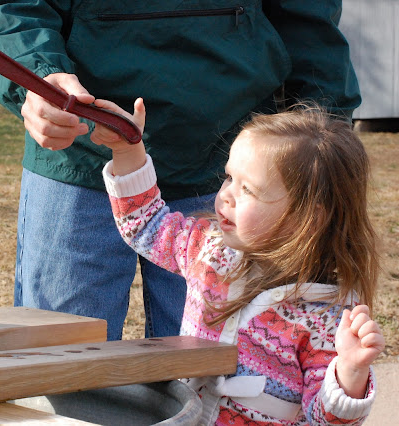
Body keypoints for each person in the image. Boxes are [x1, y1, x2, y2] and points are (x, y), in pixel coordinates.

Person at [0, 1, 361, 340]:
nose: (228, 196)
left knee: (217, 374)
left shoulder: (331, 304)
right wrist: (38, 77)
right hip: (77, 153)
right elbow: (6, 6)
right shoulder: (199, 239)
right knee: (59, 370)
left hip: (231, 144)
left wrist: (322, 149)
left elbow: (310, 22)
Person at [91, 99, 383, 424]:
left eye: (249, 190)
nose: (226, 195)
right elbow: (146, 225)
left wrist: (350, 372)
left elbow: (324, 419)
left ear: (306, 218)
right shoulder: (209, 250)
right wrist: (128, 152)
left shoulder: (326, 315)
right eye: (229, 177)